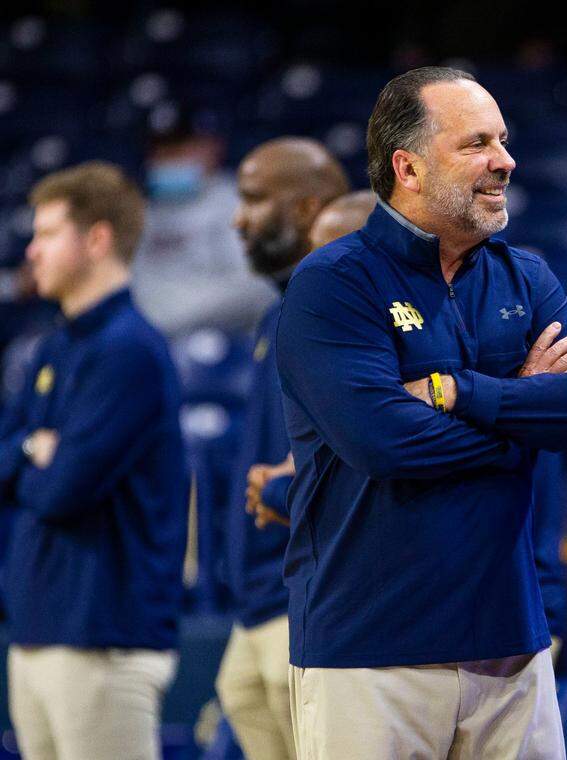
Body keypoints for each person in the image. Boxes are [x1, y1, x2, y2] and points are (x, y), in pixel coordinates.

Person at [276, 66, 567, 759]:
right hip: (369, 655)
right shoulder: (332, 284)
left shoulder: (528, 276)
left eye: (505, 140)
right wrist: (523, 420)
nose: (506, 161)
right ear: (409, 167)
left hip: (511, 651)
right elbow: (385, 443)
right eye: (477, 143)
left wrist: (461, 392)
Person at [0, 161, 188, 760]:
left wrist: (27, 461)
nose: (32, 250)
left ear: (98, 238)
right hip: (37, 632)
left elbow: (61, 493)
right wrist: (34, 448)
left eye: (49, 233)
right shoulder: (51, 346)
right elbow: (12, 459)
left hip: (103, 637)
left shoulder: (129, 350)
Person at [218, 138, 349, 760]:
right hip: (261, 598)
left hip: (310, 591)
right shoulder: (278, 312)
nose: (239, 218)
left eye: (252, 199)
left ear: (306, 208)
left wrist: (282, 487)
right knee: (239, 694)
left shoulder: (347, 309)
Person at [132, 115, 277, 337]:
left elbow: (259, 287)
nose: (168, 160)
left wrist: (171, 315)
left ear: (211, 149)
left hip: (222, 344)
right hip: (152, 341)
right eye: (161, 152)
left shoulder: (240, 203)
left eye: (180, 150)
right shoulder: (144, 212)